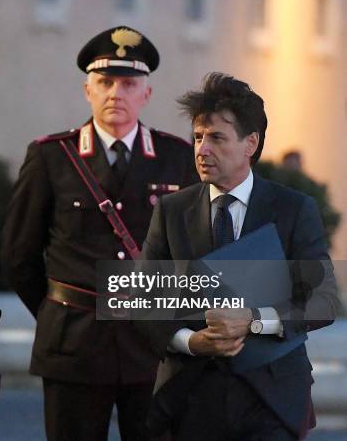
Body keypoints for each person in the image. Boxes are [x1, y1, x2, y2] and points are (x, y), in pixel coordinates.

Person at [1, 26, 198, 441]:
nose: (116, 93)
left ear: (147, 94)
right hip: (74, 346)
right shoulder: (52, 157)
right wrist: (61, 310)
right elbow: (19, 255)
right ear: (87, 90)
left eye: (128, 84)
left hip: (151, 346)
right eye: (105, 82)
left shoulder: (176, 158)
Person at [136, 72, 340, 440]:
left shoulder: (293, 209)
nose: (201, 149)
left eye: (216, 138)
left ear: (250, 144)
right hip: (189, 399)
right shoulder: (171, 211)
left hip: (272, 400)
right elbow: (142, 300)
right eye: (197, 137)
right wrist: (189, 340)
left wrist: (254, 320)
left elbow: (323, 302)